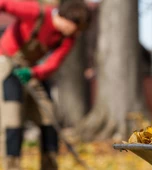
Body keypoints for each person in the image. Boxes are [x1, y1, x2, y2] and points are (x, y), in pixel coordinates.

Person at [0, 0, 90, 169]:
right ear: (67, 19)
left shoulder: (68, 38)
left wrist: (33, 73)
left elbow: (53, 63)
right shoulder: (37, 13)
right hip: (7, 62)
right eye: (76, 27)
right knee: (12, 120)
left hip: (30, 70)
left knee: (49, 116)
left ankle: (50, 165)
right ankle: (11, 167)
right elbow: (4, 3)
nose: (77, 32)